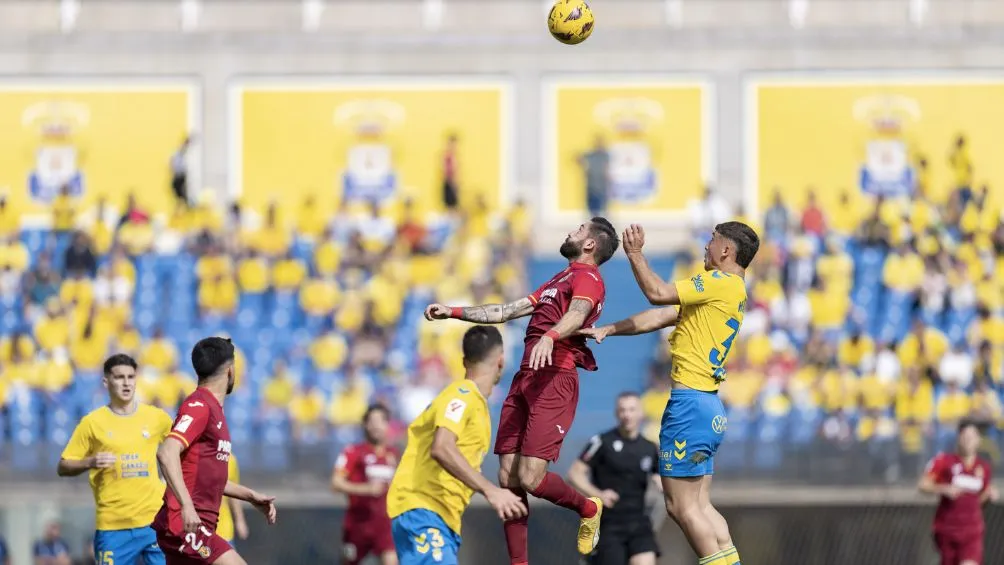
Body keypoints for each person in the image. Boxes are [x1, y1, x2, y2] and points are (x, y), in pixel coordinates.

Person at [424, 218, 620, 560]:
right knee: (507, 474)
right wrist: (452, 312)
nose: (571, 230)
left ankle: (588, 508)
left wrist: (550, 336)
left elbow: (578, 312)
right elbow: (504, 311)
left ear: (590, 244)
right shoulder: (558, 278)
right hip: (526, 377)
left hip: (555, 376)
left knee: (531, 477)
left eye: (579, 229)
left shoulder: (587, 277)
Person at [580, 221, 760, 565]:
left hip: (689, 406)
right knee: (702, 507)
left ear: (726, 250)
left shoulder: (719, 282)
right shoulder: (726, 292)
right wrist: (610, 328)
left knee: (681, 507)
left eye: (711, 241)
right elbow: (663, 314)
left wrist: (634, 254)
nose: (706, 248)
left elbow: (658, 293)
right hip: (708, 406)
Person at [387, 325, 527, 565]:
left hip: (441, 516)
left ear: (464, 361)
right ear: (501, 361)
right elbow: (442, 447)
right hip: (424, 509)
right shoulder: (462, 395)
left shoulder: (476, 406)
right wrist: (491, 490)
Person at [153, 337, 277, 565]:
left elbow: (207, 478)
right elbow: (167, 452)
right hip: (185, 524)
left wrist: (249, 496)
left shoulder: (212, 410)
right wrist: (187, 506)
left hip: (192, 524)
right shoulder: (199, 406)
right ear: (230, 371)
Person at [58, 354, 173, 565]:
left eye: (131, 377)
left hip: (154, 522)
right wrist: (90, 462)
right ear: (106, 381)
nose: (126, 383)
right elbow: (64, 465)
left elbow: (180, 448)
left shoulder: (157, 418)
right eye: (119, 377)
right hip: (113, 527)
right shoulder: (92, 423)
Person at [568, 392, 661, 565]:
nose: (627, 414)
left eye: (632, 410)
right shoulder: (602, 442)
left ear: (641, 413)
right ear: (617, 413)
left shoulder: (649, 447)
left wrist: (662, 483)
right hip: (609, 524)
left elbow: (658, 474)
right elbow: (575, 473)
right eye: (622, 410)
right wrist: (598, 494)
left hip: (639, 522)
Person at [919, 420, 999, 565]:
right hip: (947, 529)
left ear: (978, 440)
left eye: (972, 437)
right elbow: (923, 485)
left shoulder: (983, 468)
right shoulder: (944, 461)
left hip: (972, 531)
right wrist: (944, 488)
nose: (968, 441)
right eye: (965, 437)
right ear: (958, 438)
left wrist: (988, 495)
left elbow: (980, 500)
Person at [331, 404, 399, 565]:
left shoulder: (395, 455)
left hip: (385, 524)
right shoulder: (353, 452)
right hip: (357, 524)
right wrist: (366, 489)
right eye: (371, 421)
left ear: (387, 425)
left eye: (380, 421)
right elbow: (336, 483)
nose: (376, 425)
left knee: (391, 559)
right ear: (365, 425)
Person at [215, 454, 249, 546]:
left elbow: (234, 494)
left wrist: (240, 520)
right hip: (201, 530)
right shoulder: (198, 457)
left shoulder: (231, 459)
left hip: (224, 529)